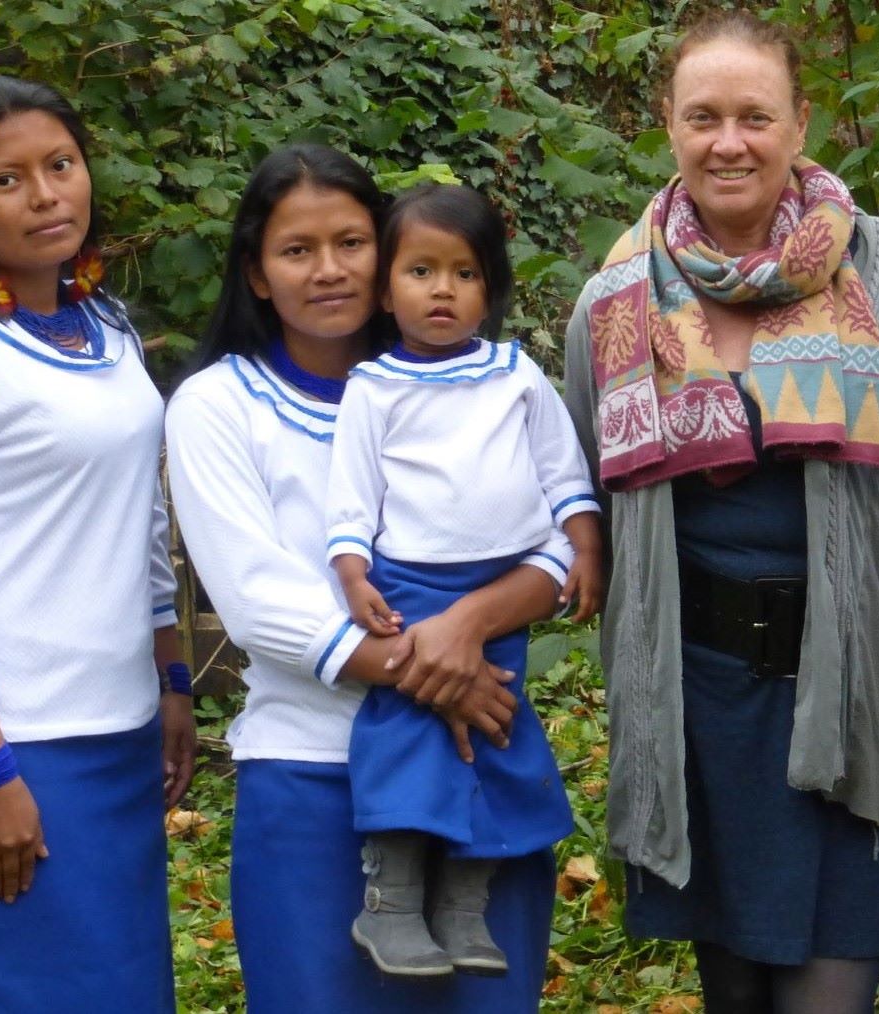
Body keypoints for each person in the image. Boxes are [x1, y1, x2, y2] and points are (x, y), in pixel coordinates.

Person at [561, 10, 879, 1012]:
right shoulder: (614, 300)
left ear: (800, 122)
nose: (728, 141)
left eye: (755, 115)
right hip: (693, 707)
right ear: (669, 124)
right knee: (733, 996)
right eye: (703, 116)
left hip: (850, 690)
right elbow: (584, 490)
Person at [166, 145, 568, 1013]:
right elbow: (255, 598)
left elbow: (555, 545)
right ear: (257, 273)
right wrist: (435, 675)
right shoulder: (217, 405)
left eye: (351, 243)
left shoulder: (485, 385)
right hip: (314, 774)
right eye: (296, 250)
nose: (329, 270)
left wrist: (465, 632)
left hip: (478, 768)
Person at [0, 75, 192, 1011]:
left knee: (125, 991)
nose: (48, 194)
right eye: (6, 180)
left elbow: (140, 521)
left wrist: (171, 681)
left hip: (118, 737)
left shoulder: (105, 326)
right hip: (11, 753)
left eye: (60, 164)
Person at [324, 183, 601, 977]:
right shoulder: (372, 388)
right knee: (410, 740)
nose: (442, 289)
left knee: (498, 733)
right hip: (408, 586)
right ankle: (393, 907)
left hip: (502, 585)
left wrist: (586, 547)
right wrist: (351, 571)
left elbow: (563, 474)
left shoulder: (517, 376)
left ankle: (465, 908)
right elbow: (352, 494)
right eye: (420, 271)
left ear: (491, 291)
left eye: (464, 273)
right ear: (386, 289)